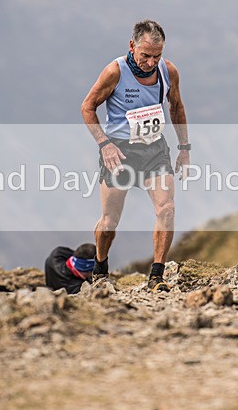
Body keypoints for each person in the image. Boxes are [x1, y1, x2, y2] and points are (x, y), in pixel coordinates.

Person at [81, 20, 190, 292]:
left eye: (157, 55)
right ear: (132, 46)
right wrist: (104, 144)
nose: (151, 62)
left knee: (167, 208)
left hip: (154, 149)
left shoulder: (169, 71)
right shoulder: (114, 71)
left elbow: (176, 107)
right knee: (109, 222)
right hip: (119, 151)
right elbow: (87, 107)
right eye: (145, 55)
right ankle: (100, 266)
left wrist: (184, 148)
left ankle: (157, 276)